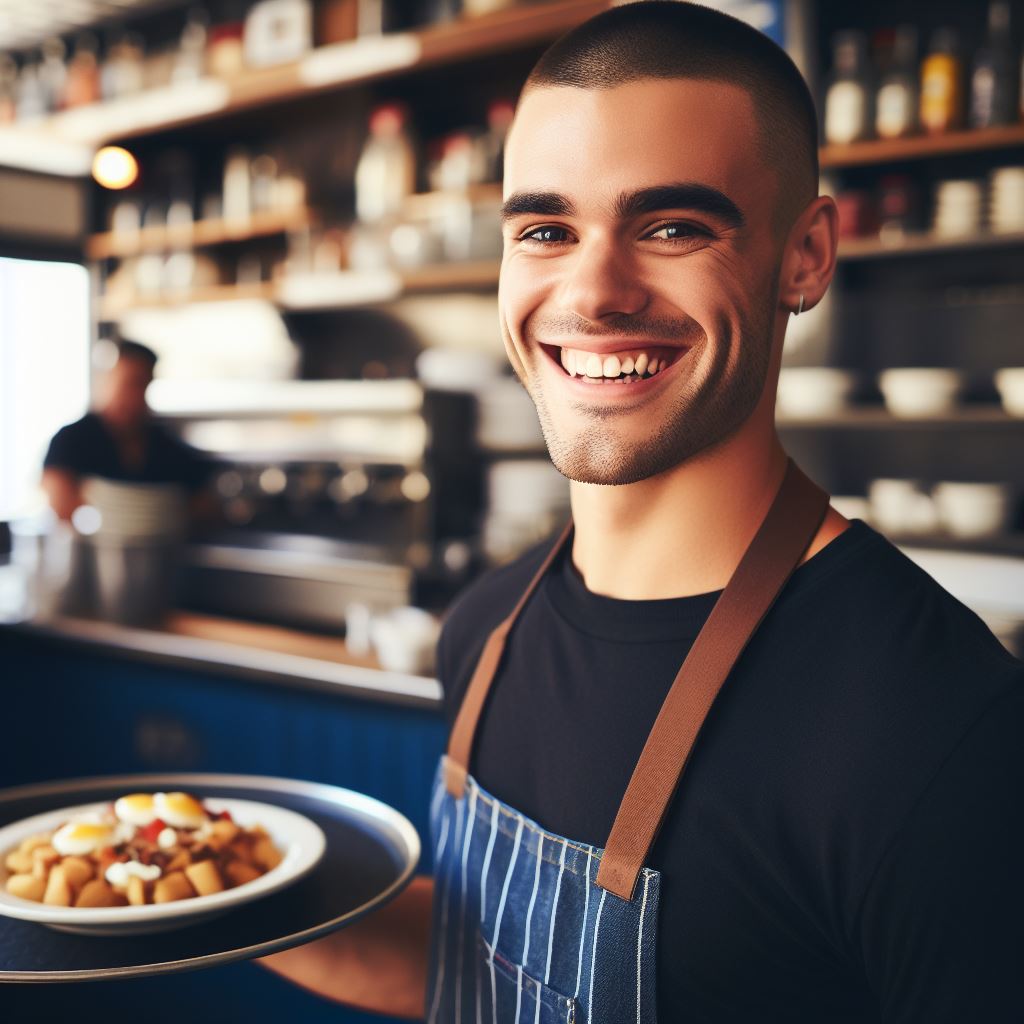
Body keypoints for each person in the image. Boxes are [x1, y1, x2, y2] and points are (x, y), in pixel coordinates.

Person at [260, 4, 1024, 1020]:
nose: (594, 291)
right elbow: (482, 968)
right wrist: (225, 890)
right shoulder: (485, 630)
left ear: (804, 256)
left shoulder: (939, 734)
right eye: (545, 229)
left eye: (670, 226)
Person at [41, 339, 217, 523]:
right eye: (127, 383)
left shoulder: (164, 445)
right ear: (107, 379)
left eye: (141, 385)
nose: (133, 396)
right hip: (91, 550)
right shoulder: (71, 439)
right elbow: (60, 503)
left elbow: (204, 506)